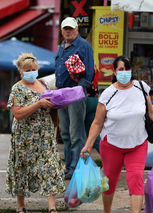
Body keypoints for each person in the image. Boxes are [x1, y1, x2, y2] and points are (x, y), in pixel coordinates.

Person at [80, 56, 153, 213]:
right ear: (114, 72)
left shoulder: (142, 88)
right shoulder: (108, 94)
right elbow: (97, 123)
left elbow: (151, 112)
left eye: (126, 69)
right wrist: (88, 146)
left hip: (137, 144)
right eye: (120, 69)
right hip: (112, 145)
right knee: (110, 181)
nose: (124, 73)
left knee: (136, 179)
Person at [6, 53, 65, 213]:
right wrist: (38, 103)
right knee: (22, 169)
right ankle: (21, 206)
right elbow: (17, 113)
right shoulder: (17, 88)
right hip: (24, 136)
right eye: (28, 70)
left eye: (34, 69)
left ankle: (52, 209)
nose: (32, 72)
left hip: (45, 134)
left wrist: (56, 125)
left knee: (51, 167)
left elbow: (52, 107)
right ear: (20, 71)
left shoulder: (44, 84)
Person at [55, 17, 95, 180]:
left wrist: (79, 89)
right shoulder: (61, 46)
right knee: (65, 134)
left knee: (76, 134)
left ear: (77, 29)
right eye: (65, 29)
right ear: (62, 30)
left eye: (71, 28)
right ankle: (68, 167)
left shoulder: (84, 45)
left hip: (75, 94)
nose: (68, 31)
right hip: (62, 94)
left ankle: (76, 168)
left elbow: (90, 72)